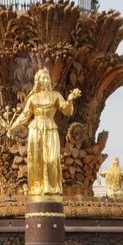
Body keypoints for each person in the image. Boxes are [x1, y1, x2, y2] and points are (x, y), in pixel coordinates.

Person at [8, 68, 81, 198]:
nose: (46, 80)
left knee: (52, 159)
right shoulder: (33, 98)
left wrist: (70, 100)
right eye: (43, 78)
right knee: (36, 159)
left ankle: (51, 187)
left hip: (50, 128)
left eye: (47, 78)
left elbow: (67, 111)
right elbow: (25, 115)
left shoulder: (55, 96)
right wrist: (13, 127)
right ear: (38, 81)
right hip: (35, 129)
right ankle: (37, 188)